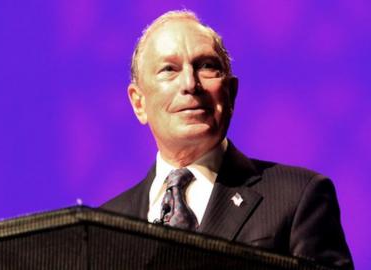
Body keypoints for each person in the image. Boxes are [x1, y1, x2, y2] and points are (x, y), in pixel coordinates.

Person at [101, 10, 353, 269]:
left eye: (206, 66)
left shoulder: (298, 196)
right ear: (138, 102)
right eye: (169, 69)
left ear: (230, 94)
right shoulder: (104, 225)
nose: (190, 83)